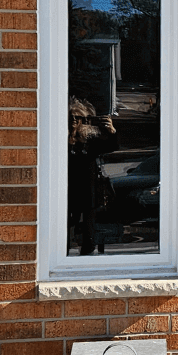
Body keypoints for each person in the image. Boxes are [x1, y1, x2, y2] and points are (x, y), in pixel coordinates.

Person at [67, 96, 117, 256]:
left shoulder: (89, 139)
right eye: (71, 117)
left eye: (78, 117)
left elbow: (111, 146)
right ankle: (63, 251)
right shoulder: (61, 139)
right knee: (66, 223)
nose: (74, 120)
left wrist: (111, 131)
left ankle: (87, 253)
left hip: (88, 189)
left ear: (84, 119)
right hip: (68, 188)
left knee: (89, 227)